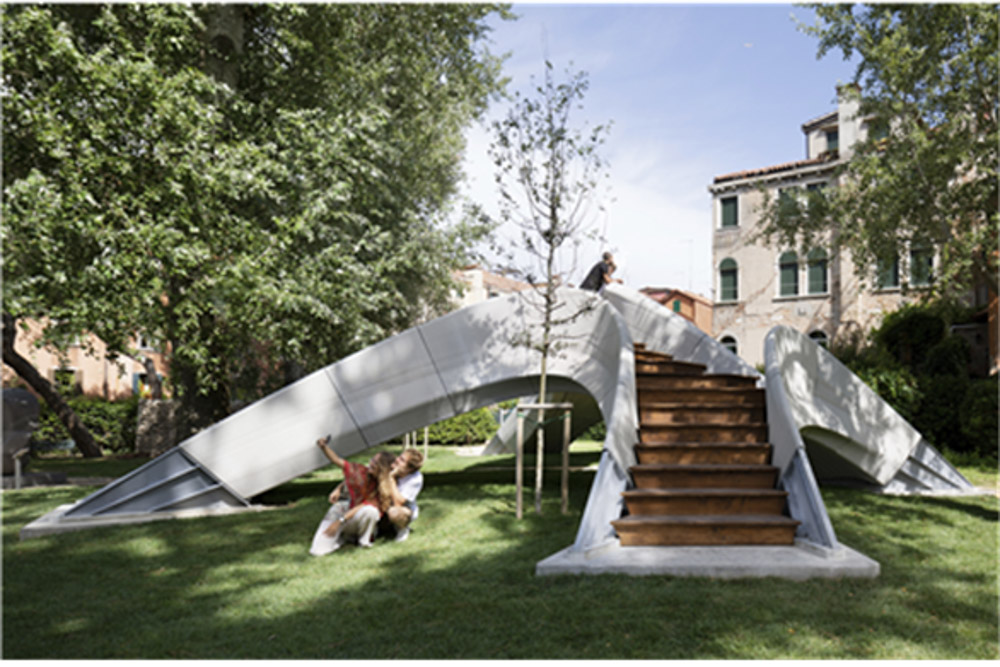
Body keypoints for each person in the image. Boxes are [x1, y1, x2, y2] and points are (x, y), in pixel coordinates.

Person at [309, 437, 397, 555]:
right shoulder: (362, 471)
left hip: (357, 517)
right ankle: (345, 537)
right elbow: (338, 461)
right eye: (372, 459)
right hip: (346, 511)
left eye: (375, 463)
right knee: (317, 550)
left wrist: (339, 522)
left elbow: (363, 506)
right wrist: (324, 447)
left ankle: (364, 542)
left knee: (371, 511)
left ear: (382, 468)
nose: (370, 463)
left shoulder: (384, 488)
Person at [379, 448, 425, 542]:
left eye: (402, 460)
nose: (397, 460)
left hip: (404, 510)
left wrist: (392, 479)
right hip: (385, 505)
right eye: (399, 457)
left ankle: (402, 529)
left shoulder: (415, 479)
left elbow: (398, 503)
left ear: (409, 469)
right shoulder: (391, 465)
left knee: (395, 512)